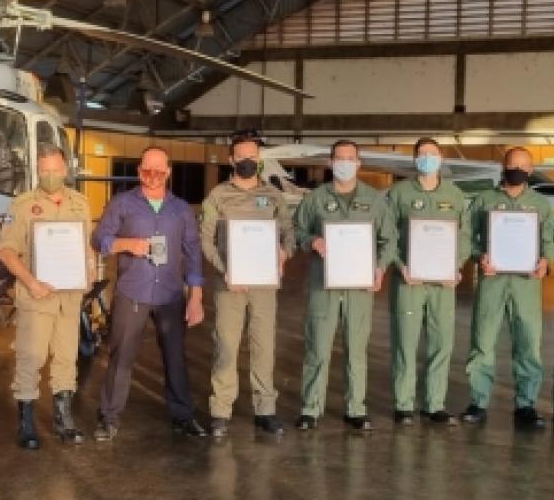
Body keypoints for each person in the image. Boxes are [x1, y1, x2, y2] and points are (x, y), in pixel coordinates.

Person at [91, 146, 206, 440]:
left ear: (168, 172)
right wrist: (125, 244)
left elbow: (193, 253)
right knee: (121, 358)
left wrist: (196, 297)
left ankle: (183, 416)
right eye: (147, 171)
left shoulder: (181, 209)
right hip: (133, 292)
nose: (153, 176)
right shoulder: (122, 203)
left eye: (159, 171)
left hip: (170, 295)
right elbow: (99, 239)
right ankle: (109, 417)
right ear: (139, 171)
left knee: (175, 358)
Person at [0, 145, 95, 449]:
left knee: (66, 358)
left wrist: (90, 269)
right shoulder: (23, 205)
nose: (50, 176)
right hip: (36, 296)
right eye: (44, 171)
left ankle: (63, 420)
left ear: (65, 170)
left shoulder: (80, 203)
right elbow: (6, 250)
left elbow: (86, 246)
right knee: (31, 358)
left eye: (55, 170)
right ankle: (26, 423)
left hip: (69, 297)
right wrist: (30, 281)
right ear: (37, 171)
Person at [294, 139, 397, 430]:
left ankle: (356, 408)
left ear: (359, 163)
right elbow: (296, 229)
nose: (345, 163)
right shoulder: (315, 199)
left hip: (359, 288)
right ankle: (311, 408)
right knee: (318, 347)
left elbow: (389, 239)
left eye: (350, 159)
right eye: (339, 158)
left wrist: (380, 268)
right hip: (323, 286)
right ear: (330, 163)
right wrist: (311, 240)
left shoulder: (375, 200)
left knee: (357, 349)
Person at [200, 130, 294, 438]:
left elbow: (288, 231)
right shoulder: (217, 196)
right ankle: (220, 410)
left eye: (252, 157)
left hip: (264, 285)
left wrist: (285, 251)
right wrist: (224, 269)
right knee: (226, 346)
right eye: (241, 157)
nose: (247, 162)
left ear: (259, 159)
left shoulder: (273, 195)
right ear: (231, 160)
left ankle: (265, 410)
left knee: (263, 346)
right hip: (230, 284)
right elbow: (206, 240)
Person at [462, 146, 554, 430]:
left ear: (530, 170)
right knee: (483, 342)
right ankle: (478, 402)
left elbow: (549, 239)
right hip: (492, 281)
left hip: (527, 284)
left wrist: (546, 261)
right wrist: (479, 256)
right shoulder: (484, 200)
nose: (518, 171)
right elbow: (467, 236)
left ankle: (526, 405)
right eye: (513, 166)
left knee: (528, 345)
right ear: (504, 167)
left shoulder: (540, 204)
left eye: (523, 167)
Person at [387, 137, 471, 426]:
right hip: (408, 280)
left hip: (442, 284)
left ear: (441, 157)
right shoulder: (398, 193)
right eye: (421, 154)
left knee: (441, 343)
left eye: (431, 154)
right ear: (414, 159)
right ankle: (403, 404)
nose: (426, 158)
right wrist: (400, 264)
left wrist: (456, 267)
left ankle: (435, 404)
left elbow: (464, 236)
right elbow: (388, 234)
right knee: (405, 342)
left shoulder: (455, 195)